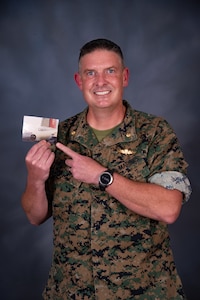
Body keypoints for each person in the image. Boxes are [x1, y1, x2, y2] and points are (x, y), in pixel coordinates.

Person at [21, 38, 192, 299]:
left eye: (110, 71)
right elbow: (34, 217)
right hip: (71, 292)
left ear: (125, 77)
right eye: (91, 73)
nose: (100, 82)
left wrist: (102, 176)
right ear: (79, 81)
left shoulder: (156, 131)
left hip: (144, 292)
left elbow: (169, 209)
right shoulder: (56, 135)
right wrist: (35, 179)